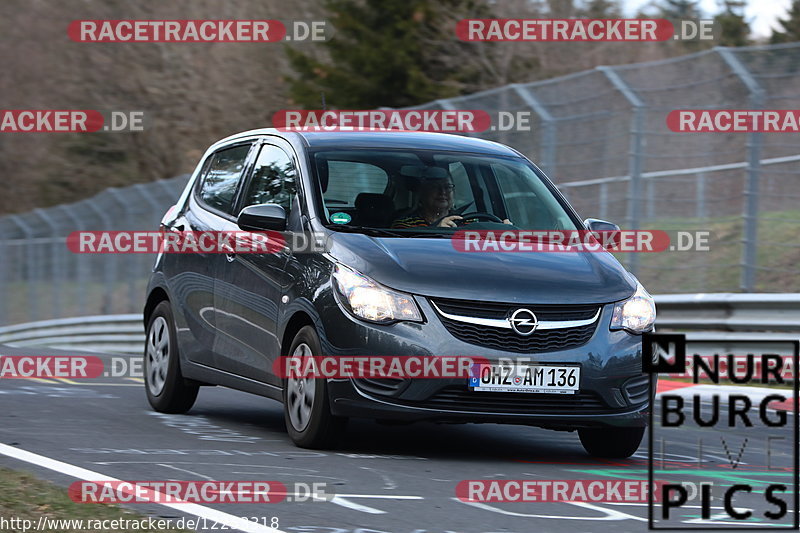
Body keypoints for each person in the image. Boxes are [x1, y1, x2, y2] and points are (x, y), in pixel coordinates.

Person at [391, 174, 511, 228]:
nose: (443, 192)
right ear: (423, 193)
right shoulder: (405, 225)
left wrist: (504, 232)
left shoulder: (468, 222)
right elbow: (408, 249)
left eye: (448, 187)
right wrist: (436, 230)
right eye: (435, 187)